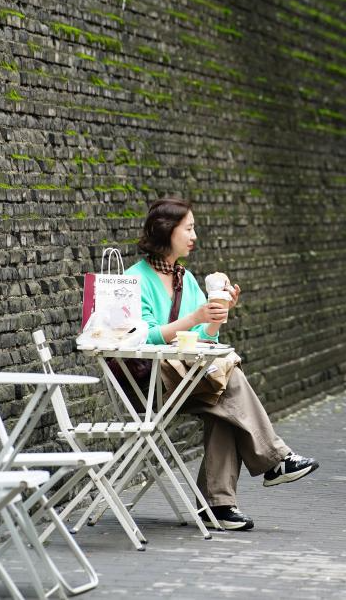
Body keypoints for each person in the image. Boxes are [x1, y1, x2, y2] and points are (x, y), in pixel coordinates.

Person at [125, 197, 319, 531]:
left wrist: (216, 317)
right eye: (188, 228)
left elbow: (205, 339)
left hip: (187, 377)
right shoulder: (134, 279)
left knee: (224, 398)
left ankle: (219, 506)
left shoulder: (186, 279)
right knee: (228, 379)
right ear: (167, 230)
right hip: (150, 380)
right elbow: (139, 337)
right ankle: (270, 464)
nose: (194, 235)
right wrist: (195, 318)